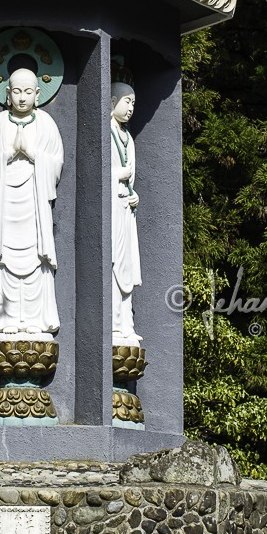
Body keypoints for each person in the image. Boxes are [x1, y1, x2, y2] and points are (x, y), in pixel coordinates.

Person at [0, 67, 64, 338]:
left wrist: (31, 154)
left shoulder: (46, 124)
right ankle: (5, 316)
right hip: (5, 201)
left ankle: (34, 318)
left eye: (28, 92)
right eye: (16, 91)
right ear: (7, 94)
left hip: (34, 200)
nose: (21, 98)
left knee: (35, 259)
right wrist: (7, 153)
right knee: (4, 259)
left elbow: (56, 164)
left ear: (38, 94)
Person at [110, 82, 142, 344]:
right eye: (126, 101)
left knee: (127, 265)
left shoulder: (128, 138)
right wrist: (115, 176)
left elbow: (131, 178)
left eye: (133, 102)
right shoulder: (107, 132)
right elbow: (98, 176)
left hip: (125, 209)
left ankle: (126, 323)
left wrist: (134, 194)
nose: (131, 107)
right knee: (113, 264)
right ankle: (113, 323)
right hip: (112, 210)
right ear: (112, 103)